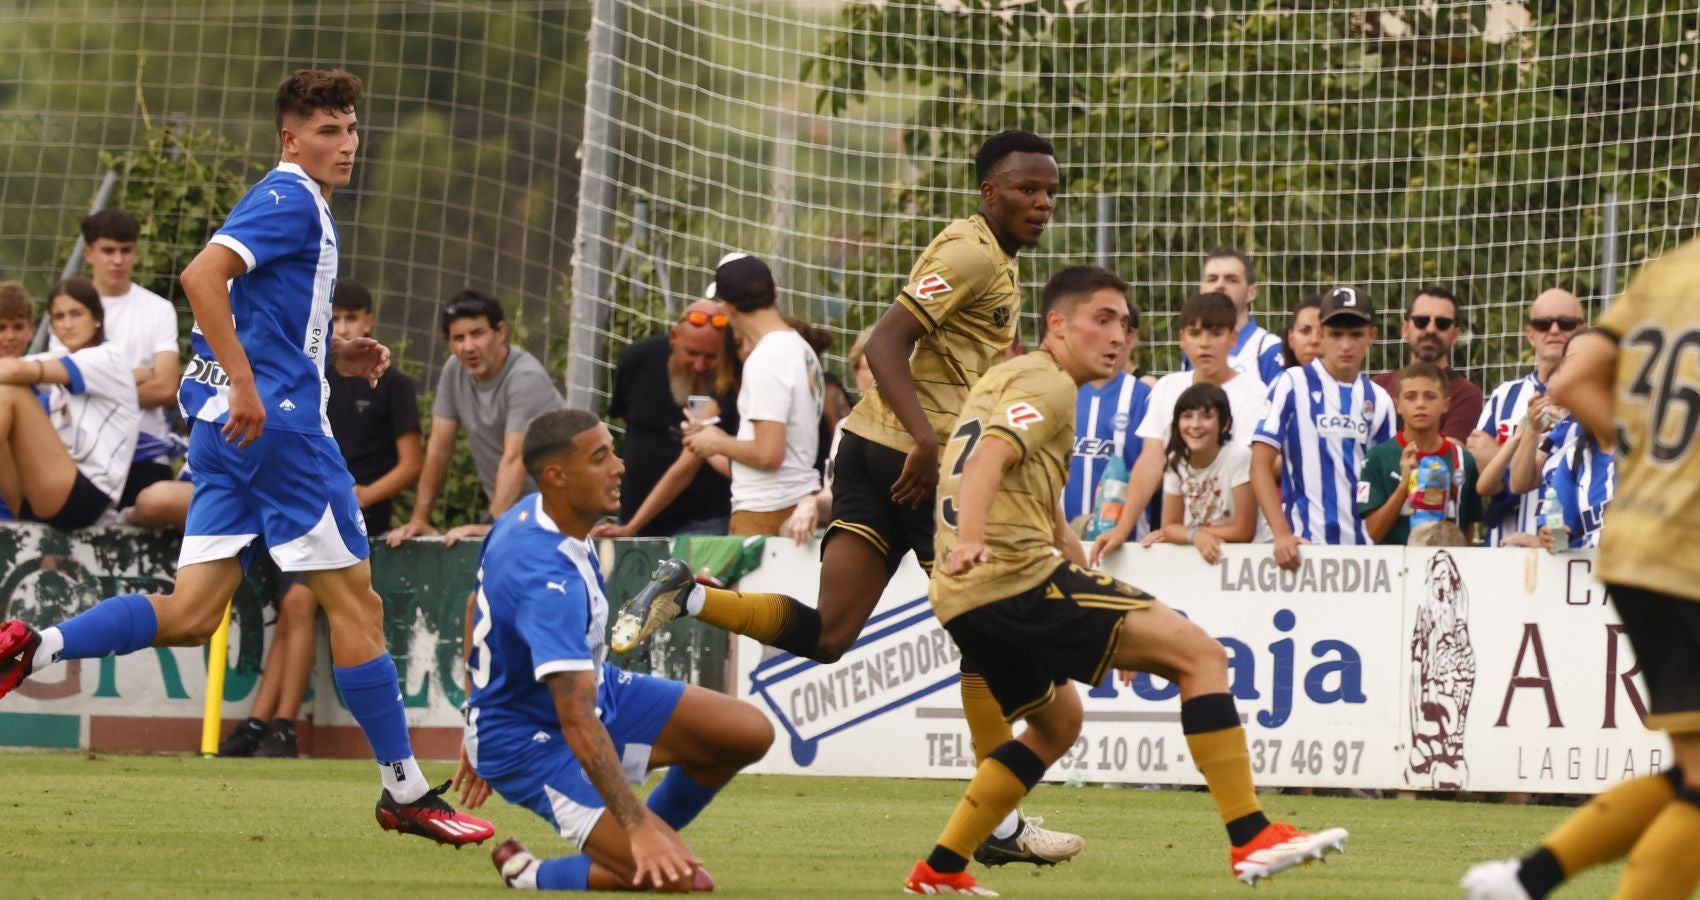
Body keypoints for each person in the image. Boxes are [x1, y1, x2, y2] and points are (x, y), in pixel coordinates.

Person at [0, 68, 493, 845]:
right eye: (328, 130)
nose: (347, 144)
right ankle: (403, 792)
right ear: (291, 138)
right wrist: (245, 382)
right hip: (281, 436)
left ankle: (33, 646)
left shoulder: (299, 202)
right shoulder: (290, 193)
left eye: (352, 128)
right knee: (359, 606)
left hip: (229, 433)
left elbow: (264, 314)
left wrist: (334, 352)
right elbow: (203, 277)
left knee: (194, 615)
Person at [612, 130, 1082, 868]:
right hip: (911, 463)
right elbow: (886, 342)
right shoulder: (968, 252)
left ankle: (692, 596)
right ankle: (996, 824)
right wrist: (929, 443)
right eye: (1027, 188)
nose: (1042, 202)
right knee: (988, 631)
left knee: (831, 636)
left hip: (868, 454)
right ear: (990, 191)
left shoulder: (992, 261)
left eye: (1051, 189)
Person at [901, 265, 1346, 895]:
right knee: (1201, 656)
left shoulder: (1008, 374)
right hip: (1013, 579)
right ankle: (1250, 836)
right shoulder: (1052, 385)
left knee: (1058, 725)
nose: (1118, 337)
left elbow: (1030, 486)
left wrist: (1084, 570)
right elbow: (991, 456)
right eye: (1102, 319)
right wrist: (972, 535)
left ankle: (940, 868)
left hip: (964, 599)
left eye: (1126, 325)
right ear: (1056, 324)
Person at [1460, 239, 1700, 900]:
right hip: (1687, 553)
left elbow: (1570, 380)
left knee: (1692, 776)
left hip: (1638, 544)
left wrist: (1643, 459)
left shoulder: (1665, 275)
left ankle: (1525, 879)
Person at [446, 408, 772, 892]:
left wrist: (476, 701)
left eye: (613, 451)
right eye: (601, 458)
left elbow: (477, 604)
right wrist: (636, 825)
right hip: (526, 741)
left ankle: (636, 851)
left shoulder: (526, 514)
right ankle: (542, 875)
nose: (619, 466)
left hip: (596, 696)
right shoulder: (546, 577)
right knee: (690, 883)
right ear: (556, 476)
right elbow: (575, 719)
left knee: (747, 733)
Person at [219, 279, 422, 758]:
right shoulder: (311, 374)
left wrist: (364, 495)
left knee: (299, 607)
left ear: (369, 321)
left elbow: (411, 463)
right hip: (299, 504)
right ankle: (262, 723)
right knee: (290, 609)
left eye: (354, 317)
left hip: (351, 516)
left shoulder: (392, 385)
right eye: (338, 317)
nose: (346, 326)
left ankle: (279, 724)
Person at [1093, 291, 1271, 564]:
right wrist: (1123, 527)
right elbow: (1151, 461)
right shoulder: (1168, 388)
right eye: (1195, 333)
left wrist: (1192, 533)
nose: (1204, 343)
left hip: (1246, 549)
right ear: (1182, 339)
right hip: (1189, 547)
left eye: (1215, 333)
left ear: (1233, 339)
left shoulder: (1254, 392)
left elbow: (1257, 467)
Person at [387, 290, 564, 547]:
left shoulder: (525, 377)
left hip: (562, 516)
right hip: (517, 518)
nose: (468, 346)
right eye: (458, 338)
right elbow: (438, 448)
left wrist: (492, 526)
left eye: (477, 334)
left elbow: (515, 458)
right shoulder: (453, 371)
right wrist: (419, 520)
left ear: (500, 332)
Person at [1251, 286, 1395, 570]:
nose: (1345, 345)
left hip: (1364, 558)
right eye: (1336, 334)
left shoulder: (1379, 400)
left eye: (1355, 335)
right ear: (1321, 335)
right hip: (1302, 551)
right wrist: (1281, 534)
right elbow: (1259, 464)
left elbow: (1383, 485)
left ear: (1372, 336)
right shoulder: (1291, 383)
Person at [679, 255, 822, 536]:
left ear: (728, 307)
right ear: (773, 294)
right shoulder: (800, 348)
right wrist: (709, 442)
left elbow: (769, 454)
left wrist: (717, 441)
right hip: (791, 499)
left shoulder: (766, 358)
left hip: (765, 511)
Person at [0, 278, 141, 529]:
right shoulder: (63, 359)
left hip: (84, 497)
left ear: (96, 316)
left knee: (11, 392)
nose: (67, 324)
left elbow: (14, 370)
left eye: (76, 314)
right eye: (59, 316)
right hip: (43, 495)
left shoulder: (105, 357)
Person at [65, 209, 183, 508]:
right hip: (83, 451)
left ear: (135, 252)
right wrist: (138, 375)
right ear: (89, 253)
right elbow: (66, 387)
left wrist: (98, 384)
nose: (117, 260)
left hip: (144, 454)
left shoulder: (158, 309)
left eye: (125, 250)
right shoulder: (70, 308)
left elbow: (167, 389)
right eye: (108, 251)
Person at [599, 300, 734, 538]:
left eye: (711, 357)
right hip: (633, 515)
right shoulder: (638, 358)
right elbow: (623, 417)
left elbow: (685, 467)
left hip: (704, 523)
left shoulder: (731, 382)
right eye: (692, 353)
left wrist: (632, 527)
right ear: (674, 338)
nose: (700, 365)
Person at [1469, 288, 1585, 547]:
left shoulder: (1593, 402)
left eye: (1565, 323)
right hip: (1505, 546)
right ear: (1530, 335)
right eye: (1543, 324)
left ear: (1582, 331)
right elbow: (1482, 470)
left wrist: (1501, 454)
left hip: (1566, 547)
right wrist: (1521, 449)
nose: (1554, 330)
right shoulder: (1504, 395)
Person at [1357, 362, 1482, 546]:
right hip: (1394, 570)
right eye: (1410, 397)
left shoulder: (1464, 460)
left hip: (1443, 568)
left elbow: (1467, 530)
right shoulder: (1378, 458)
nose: (1420, 404)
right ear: (1397, 405)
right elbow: (1372, 533)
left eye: (1430, 397)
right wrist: (1405, 485)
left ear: (1446, 404)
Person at [1139, 383, 1255, 563]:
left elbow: (1244, 531)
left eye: (1206, 417)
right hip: (1205, 551)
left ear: (1225, 424)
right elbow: (1169, 526)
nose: (1195, 425)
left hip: (1248, 557)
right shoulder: (1176, 461)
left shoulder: (1238, 456)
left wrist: (1191, 534)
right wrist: (1193, 536)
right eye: (1187, 416)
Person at [1064, 298, 1152, 534]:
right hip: (1060, 541)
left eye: (1119, 329)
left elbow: (1156, 470)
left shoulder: (1145, 397)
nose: (1109, 338)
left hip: (1126, 545)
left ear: (1130, 338)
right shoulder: (1062, 390)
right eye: (1101, 325)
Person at [1370, 286, 1483, 441]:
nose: (1431, 329)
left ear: (1455, 335)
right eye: (1421, 321)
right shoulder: (1378, 386)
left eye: (1442, 323)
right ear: (1405, 329)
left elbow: (1447, 459)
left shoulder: (1466, 395)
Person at [1183, 246, 1285, 385]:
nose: (1220, 285)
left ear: (1251, 292)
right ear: (1201, 289)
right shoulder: (1193, 348)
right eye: (1212, 279)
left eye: (1231, 280)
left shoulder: (1269, 349)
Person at [1282, 292, 1323, 369]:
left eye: (1322, 333)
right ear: (1291, 338)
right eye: (1305, 331)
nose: (1314, 340)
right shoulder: (1280, 380)